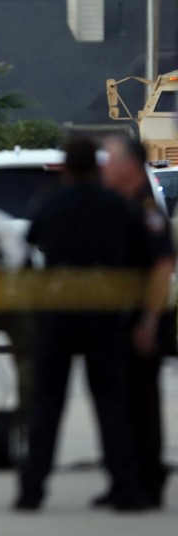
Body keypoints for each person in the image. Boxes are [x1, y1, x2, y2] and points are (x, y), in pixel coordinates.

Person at [15, 136, 147, 512]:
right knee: (109, 402)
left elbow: (32, 238)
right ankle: (125, 487)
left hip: (57, 311)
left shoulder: (51, 201)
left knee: (47, 404)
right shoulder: (115, 204)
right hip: (103, 311)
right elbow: (135, 246)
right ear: (97, 166)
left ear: (67, 167)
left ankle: (31, 490)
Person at [98, 136, 175, 508]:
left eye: (110, 160)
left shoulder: (146, 212)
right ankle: (124, 482)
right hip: (118, 321)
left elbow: (163, 267)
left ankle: (146, 483)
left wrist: (148, 321)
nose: (105, 167)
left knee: (140, 404)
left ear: (128, 166)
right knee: (122, 405)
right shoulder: (119, 206)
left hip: (139, 323)